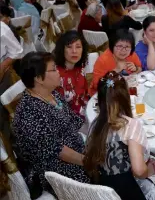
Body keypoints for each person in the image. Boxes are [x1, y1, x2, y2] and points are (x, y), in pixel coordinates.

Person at [12, 52, 90, 195]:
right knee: (111, 172)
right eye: (53, 69)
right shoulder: (28, 115)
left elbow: (74, 120)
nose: (58, 72)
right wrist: (89, 162)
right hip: (57, 171)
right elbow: (59, 152)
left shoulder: (51, 93)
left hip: (76, 146)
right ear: (39, 78)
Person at [84, 71, 155, 200]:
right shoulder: (130, 125)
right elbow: (139, 171)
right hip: (127, 192)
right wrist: (149, 170)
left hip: (101, 191)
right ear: (125, 97)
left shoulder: (95, 123)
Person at [89, 30, 141, 96]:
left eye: (127, 46)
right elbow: (98, 85)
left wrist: (136, 69)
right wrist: (114, 76)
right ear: (112, 46)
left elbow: (140, 68)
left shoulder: (131, 54)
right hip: (105, 95)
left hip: (126, 91)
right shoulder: (103, 60)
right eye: (119, 46)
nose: (123, 50)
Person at [54, 31, 89, 117]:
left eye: (78, 47)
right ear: (62, 49)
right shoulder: (56, 74)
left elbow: (85, 95)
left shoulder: (81, 69)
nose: (74, 51)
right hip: (67, 119)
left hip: (84, 112)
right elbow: (56, 107)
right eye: (69, 47)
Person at [0, 21, 23, 140]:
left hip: (2, 75)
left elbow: (17, 51)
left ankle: (7, 146)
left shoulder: (2, 28)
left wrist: (3, 66)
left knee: (2, 116)